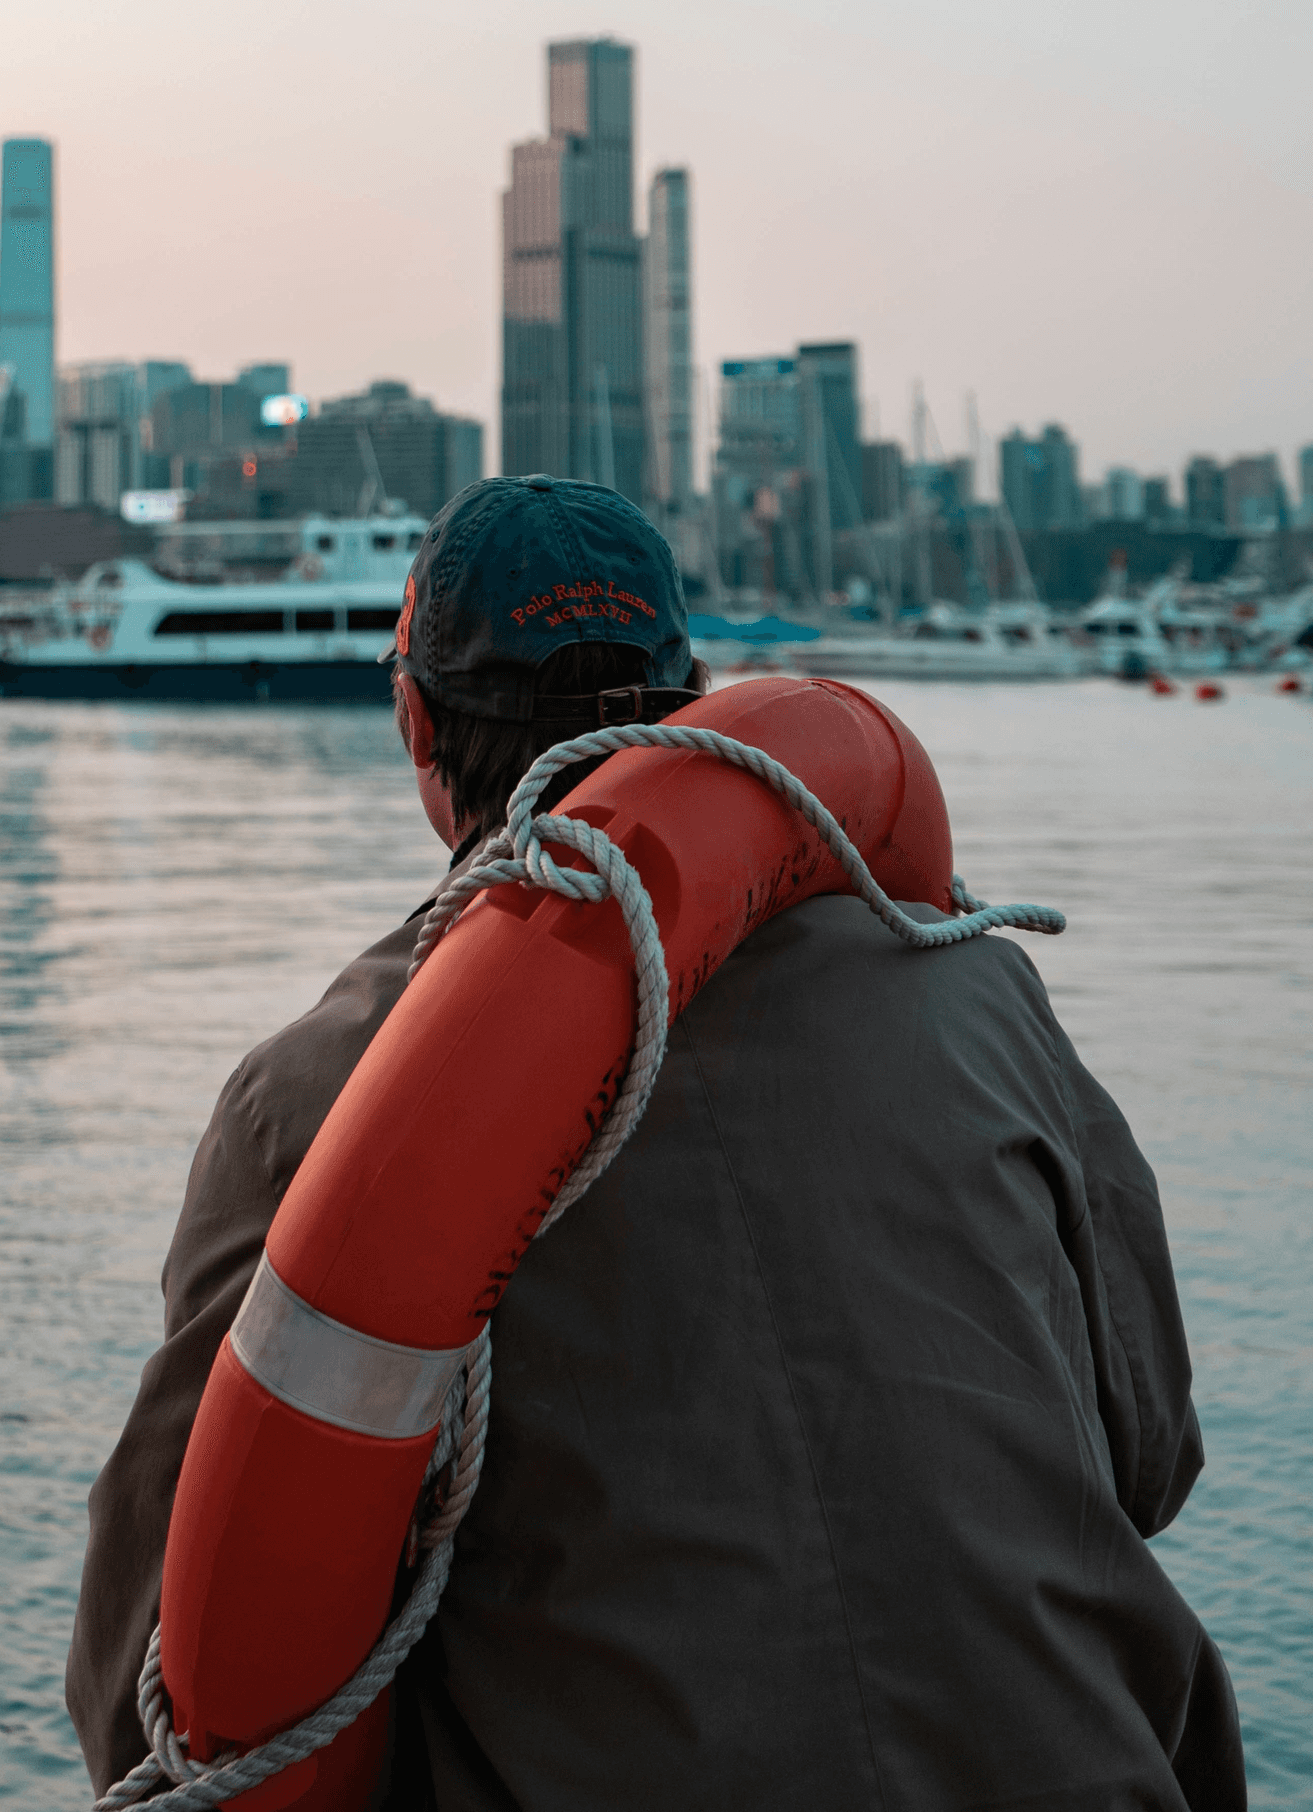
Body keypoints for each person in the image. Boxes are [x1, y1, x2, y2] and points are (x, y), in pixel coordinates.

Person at [68, 475, 1244, 1811]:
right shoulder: (976, 993)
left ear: (416, 724)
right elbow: (1151, 1457)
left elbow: (151, 1702)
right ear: (704, 705)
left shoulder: (318, 1105)